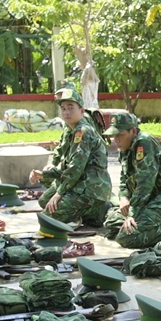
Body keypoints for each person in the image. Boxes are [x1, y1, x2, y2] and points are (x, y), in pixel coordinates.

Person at [29, 87, 112, 227]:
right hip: (79, 183)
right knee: (44, 202)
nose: (66, 112)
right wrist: (44, 174)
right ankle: (90, 211)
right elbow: (66, 162)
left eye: (70, 108)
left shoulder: (83, 131)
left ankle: (99, 208)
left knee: (47, 219)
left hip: (91, 187)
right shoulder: (71, 129)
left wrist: (59, 194)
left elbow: (75, 168)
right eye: (63, 108)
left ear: (82, 111)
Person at [102, 112, 161, 249]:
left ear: (133, 131)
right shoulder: (126, 147)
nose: (116, 140)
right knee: (111, 220)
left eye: (120, 135)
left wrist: (131, 215)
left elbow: (146, 183)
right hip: (146, 200)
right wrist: (124, 197)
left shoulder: (143, 143)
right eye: (114, 135)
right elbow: (124, 177)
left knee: (126, 238)